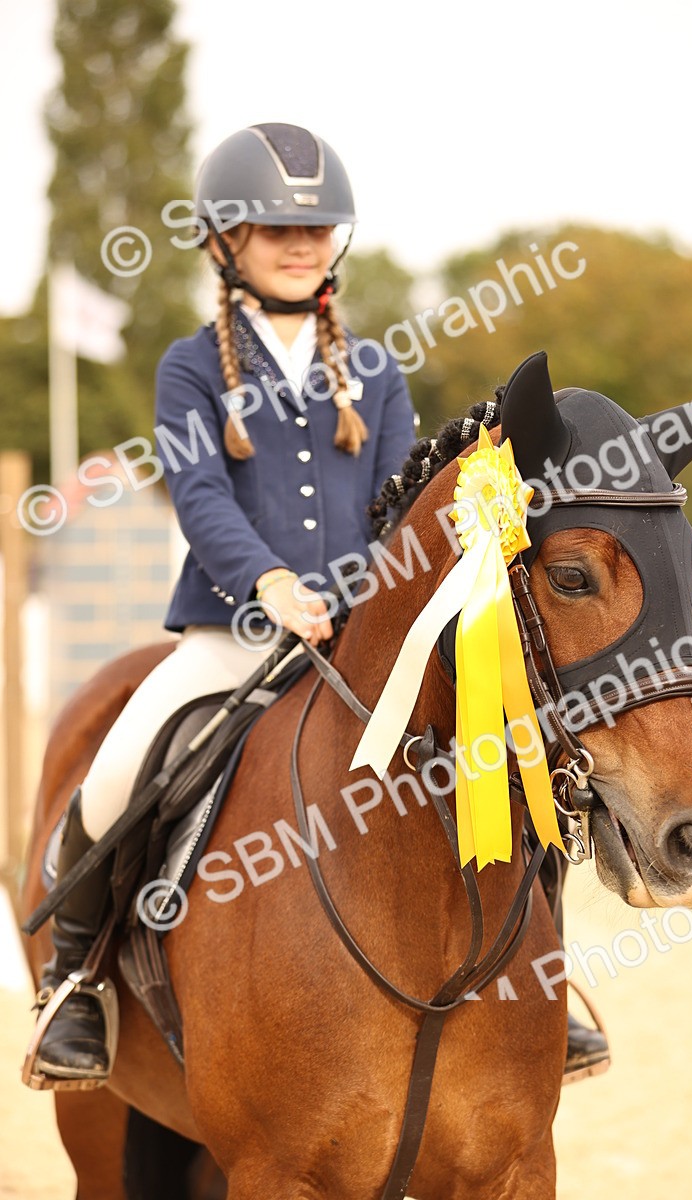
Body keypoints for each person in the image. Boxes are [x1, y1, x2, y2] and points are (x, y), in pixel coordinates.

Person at [30, 122, 416, 1083]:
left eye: (319, 227)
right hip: (230, 633)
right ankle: (74, 986)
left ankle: (540, 983)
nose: (301, 243)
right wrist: (270, 582)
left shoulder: (375, 372)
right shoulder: (190, 367)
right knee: (115, 776)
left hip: (359, 640)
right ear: (222, 241)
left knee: (501, 766)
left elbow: (399, 503)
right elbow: (199, 496)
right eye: (274, 227)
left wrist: (363, 595)